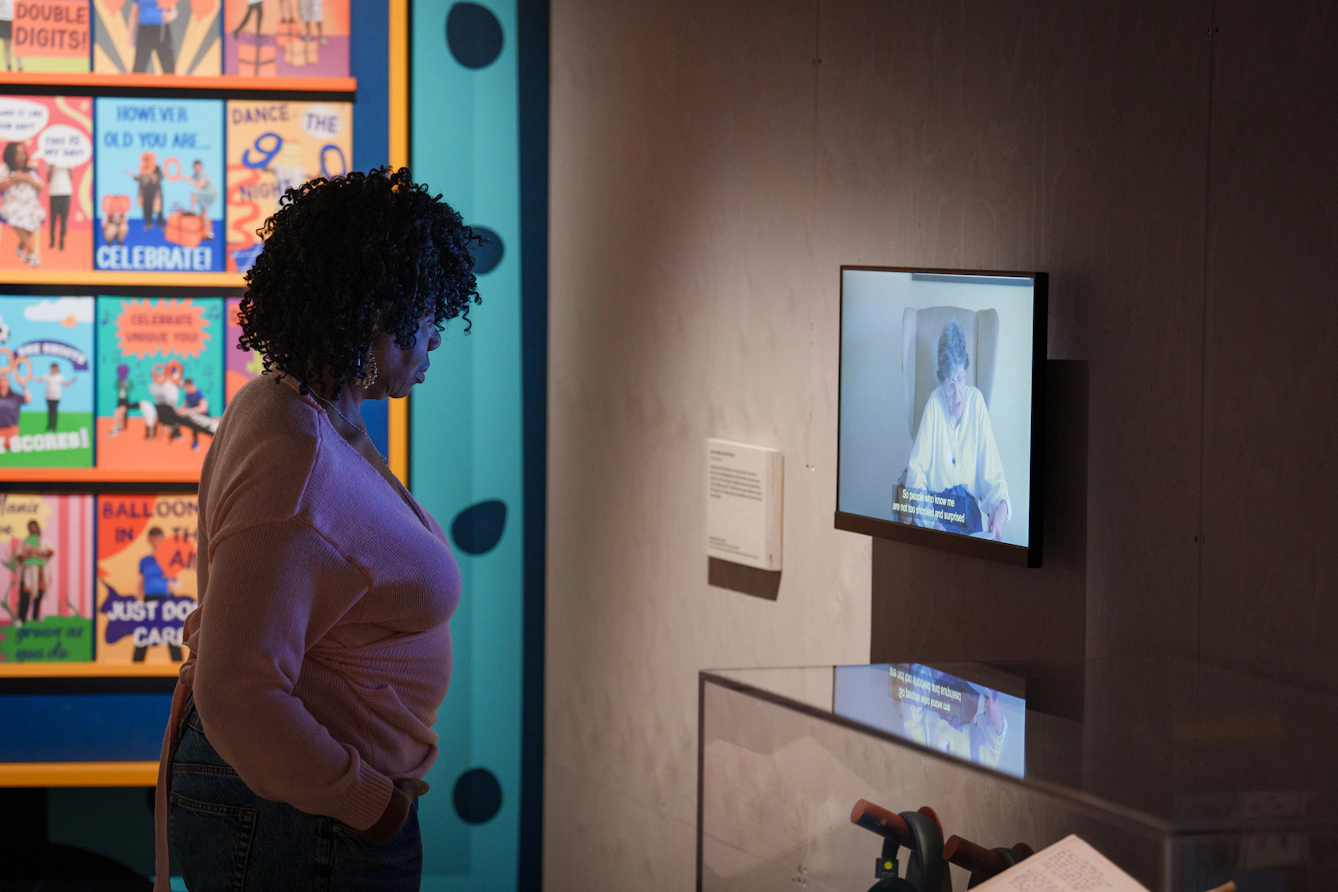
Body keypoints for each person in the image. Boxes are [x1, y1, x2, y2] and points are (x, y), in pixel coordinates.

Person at [155, 167, 478, 892]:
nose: (434, 337)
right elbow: (238, 691)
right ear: (374, 313)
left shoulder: (303, 410)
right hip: (300, 819)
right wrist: (372, 807)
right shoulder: (295, 460)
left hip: (303, 809)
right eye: (426, 313)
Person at [903, 318, 1011, 540]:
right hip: (936, 512)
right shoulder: (934, 403)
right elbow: (915, 472)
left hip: (969, 517)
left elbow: (991, 473)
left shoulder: (977, 402)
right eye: (951, 384)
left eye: (961, 379)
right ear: (942, 380)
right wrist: (930, 520)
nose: (958, 395)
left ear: (966, 371)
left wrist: (1001, 507)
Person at [132, 527, 182, 662]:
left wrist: (174, 586)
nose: (155, 541)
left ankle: (179, 670)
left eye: (158, 538)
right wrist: (133, 600)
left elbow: (178, 581)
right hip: (149, 600)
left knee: (171, 634)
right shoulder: (144, 561)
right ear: (149, 540)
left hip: (166, 600)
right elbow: (139, 582)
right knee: (143, 634)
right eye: (153, 539)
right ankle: (135, 669)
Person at [0, 142, 45, 266]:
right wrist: (14, 180)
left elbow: (39, 187)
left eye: (23, 154)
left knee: (39, 214)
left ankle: (20, 247)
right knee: (16, 214)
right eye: (18, 154)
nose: (21, 157)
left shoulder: (30, 171)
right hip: (11, 205)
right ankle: (31, 252)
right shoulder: (4, 169)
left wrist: (28, 179)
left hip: (30, 205)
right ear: (10, 156)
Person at [15, 519, 53, 627]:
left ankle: (35, 615)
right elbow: (18, 555)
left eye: (35, 527)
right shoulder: (24, 541)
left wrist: (39, 552)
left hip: (40, 572)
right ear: (29, 530)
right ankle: (21, 618)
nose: (33, 529)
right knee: (25, 595)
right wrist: (27, 554)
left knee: (39, 594)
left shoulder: (44, 540)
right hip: (28, 571)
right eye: (31, 528)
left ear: (38, 528)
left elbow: (51, 551)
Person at [128, 0, 178, 74]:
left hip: (162, 30)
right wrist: (130, 34)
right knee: (139, 67)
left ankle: (172, 85)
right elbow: (134, 13)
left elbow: (173, 11)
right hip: (144, 31)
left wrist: (169, 16)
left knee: (168, 68)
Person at [30, 362, 75, 431]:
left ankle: (54, 425)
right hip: (48, 397)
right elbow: (39, 380)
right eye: (52, 368)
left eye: (55, 368)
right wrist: (31, 377)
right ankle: (49, 425)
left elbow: (66, 383)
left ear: (57, 369)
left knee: (54, 412)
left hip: (56, 397)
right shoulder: (47, 376)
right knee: (50, 412)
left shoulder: (60, 376)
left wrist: (71, 381)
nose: (53, 369)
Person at [126, 153, 164, 230]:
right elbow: (140, 179)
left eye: (148, 160)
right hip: (146, 192)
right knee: (147, 208)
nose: (146, 161)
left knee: (158, 209)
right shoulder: (143, 168)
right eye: (145, 160)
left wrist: (152, 175)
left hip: (155, 192)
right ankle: (149, 223)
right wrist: (132, 174)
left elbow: (160, 177)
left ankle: (160, 224)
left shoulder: (156, 168)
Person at [185, 160, 218, 240]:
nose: (197, 168)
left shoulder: (203, 174)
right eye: (195, 167)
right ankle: (210, 235)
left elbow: (200, 186)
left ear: (201, 167)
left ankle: (192, 211)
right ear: (193, 167)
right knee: (203, 215)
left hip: (209, 194)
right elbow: (188, 177)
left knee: (194, 192)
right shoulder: (196, 174)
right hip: (204, 194)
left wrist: (190, 181)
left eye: (199, 167)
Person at [0, 372, 30, 447]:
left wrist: (24, 386)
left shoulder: (15, 396)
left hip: (11, 429)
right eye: (2, 380)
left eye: (5, 380)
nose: (3, 382)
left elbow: (28, 399)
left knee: (11, 450)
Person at [47, 164, 72, 251]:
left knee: (63, 218)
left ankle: (62, 240)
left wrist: (68, 167)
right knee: (53, 218)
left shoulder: (67, 159)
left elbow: (71, 177)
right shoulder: (50, 159)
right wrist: (51, 168)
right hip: (54, 192)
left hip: (66, 192)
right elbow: (48, 179)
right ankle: (52, 240)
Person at [109, 364, 132, 436]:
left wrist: (126, 386)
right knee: (118, 411)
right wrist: (120, 384)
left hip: (126, 399)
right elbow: (115, 386)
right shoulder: (118, 381)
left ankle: (124, 426)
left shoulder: (128, 381)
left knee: (124, 412)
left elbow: (131, 387)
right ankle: (118, 425)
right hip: (120, 399)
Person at [0, 0, 13, 71]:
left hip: (17, 18)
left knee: (18, 45)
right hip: (4, 19)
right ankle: (8, 67)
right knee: (7, 44)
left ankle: (20, 67)